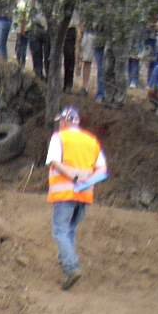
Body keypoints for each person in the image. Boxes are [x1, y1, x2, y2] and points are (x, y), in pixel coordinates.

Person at [45, 106, 107, 290]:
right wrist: (87, 181)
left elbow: (55, 162)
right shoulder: (91, 140)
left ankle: (71, 267)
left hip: (65, 192)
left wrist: (73, 177)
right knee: (70, 231)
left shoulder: (59, 137)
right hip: (85, 193)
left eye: (60, 122)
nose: (59, 125)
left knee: (60, 231)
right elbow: (102, 169)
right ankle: (68, 268)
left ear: (64, 122)